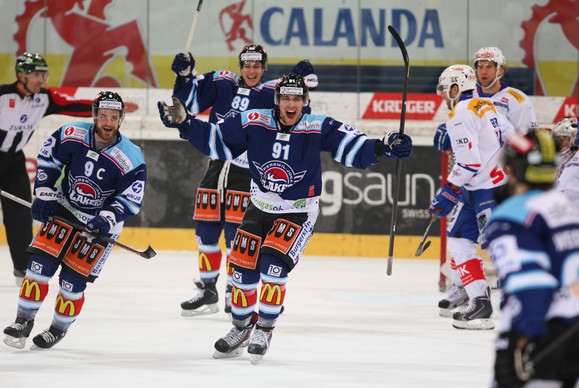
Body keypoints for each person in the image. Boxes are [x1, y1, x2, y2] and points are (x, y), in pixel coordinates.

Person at [158, 73, 412, 363]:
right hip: (259, 206)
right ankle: (241, 329)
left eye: (297, 98)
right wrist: (186, 123)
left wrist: (384, 145)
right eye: (286, 98)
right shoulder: (253, 119)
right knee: (241, 274)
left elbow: (352, 145)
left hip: (298, 210)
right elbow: (218, 141)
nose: (291, 104)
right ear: (277, 100)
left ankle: (265, 328)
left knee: (273, 269)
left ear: (305, 102)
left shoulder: (318, 125)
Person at [171, 44, 318, 316]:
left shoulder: (272, 92)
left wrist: (303, 81)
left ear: (264, 67)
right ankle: (207, 289)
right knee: (206, 231)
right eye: (247, 65)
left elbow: (298, 109)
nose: (252, 70)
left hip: (247, 171)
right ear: (241, 66)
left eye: (257, 65)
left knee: (236, 235)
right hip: (216, 167)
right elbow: (187, 102)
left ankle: (231, 290)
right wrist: (185, 75)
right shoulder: (222, 81)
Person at [2, 91, 146, 350]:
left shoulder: (131, 156)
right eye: (103, 115)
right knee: (37, 269)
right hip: (65, 209)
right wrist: (45, 195)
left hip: (99, 225)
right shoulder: (71, 134)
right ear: (94, 115)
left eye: (114, 117)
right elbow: (48, 161)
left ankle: (58, 328)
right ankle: (23, 321)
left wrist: (106, 219)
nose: (108, 122)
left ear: (121, 119)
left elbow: (131, 198)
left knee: (72, 284)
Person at [0, 52, 138, 286]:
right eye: (36, 74)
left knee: (20, 215)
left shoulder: (43, 98)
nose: (41, 79)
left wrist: (104, 109)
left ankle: (22, 267)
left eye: (43, 74)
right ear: (21, 75)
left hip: (14, 161)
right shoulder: (3, 95)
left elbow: (73, 105)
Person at [482, 129, 579, 387]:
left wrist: (518, 341)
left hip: (546, 336)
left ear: (513, 169)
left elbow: (531, 286)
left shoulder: (512, 216)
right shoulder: (566, 208)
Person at [428, 64, 514, 330]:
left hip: (486, 189)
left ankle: (526, 300)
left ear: (455, 88)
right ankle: (480, 301)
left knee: (499, 247)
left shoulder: (459, 113)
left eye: (445, 89)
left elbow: (469, 163)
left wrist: (449, 190)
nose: (443, 95)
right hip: (479, 187)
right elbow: (513, 139)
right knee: (459, 241)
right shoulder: (486, 105)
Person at [552, 117, 579, 209]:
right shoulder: (558, 159)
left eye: (564, 138)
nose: (560, 143)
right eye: (558, 139)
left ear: (576, 139)